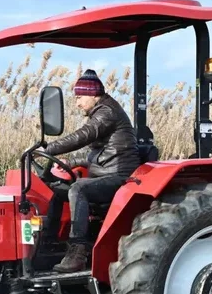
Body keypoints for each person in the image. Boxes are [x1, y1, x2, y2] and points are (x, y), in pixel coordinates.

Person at [42, 69, 139, 273]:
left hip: (119, 178)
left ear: (92, 94)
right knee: (56, 191)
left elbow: (84, 135)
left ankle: (78, 251)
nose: (77, 103)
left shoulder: (107, 112)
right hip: (104, 174)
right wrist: (68, 160)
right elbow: (96, 153)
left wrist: (50, 148)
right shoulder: (102, 111)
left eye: (79, 97)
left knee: (79, 189)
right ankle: (48, 245)